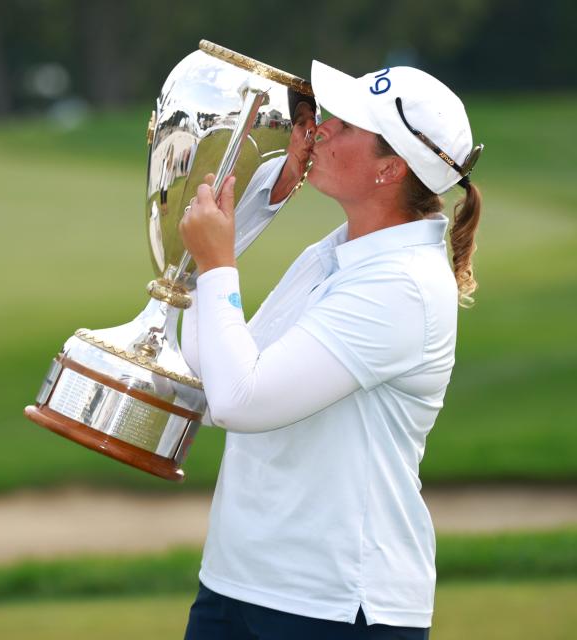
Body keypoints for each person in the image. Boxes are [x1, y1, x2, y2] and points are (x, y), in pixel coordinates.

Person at [177, 60, 484, 639]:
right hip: (235, 581)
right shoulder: (338, 252)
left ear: (390, 167)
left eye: (345, 125)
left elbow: (240, 403)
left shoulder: (402, 286)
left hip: (336, 604)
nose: (319, 129)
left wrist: (218, 262)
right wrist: (249, 213)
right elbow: (217, 376)